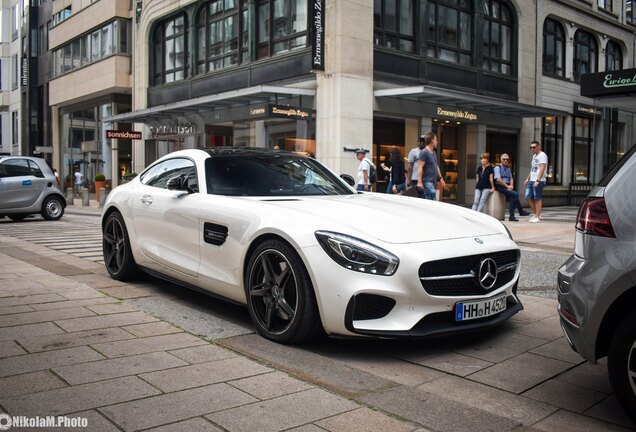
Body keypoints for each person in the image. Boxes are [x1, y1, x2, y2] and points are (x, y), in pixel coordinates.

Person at [494, 153, 529, 221]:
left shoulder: (508, 168)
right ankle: (520, 211)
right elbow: (498, 179)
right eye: (504, 159)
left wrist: (511, 185)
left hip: (507, 186)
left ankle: (512, 216)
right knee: (515, 194)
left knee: (512, 198)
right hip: (500, 186)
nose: (506, 161)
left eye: (507, 159)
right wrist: (507, 186)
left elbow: (511, 178)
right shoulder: (497, 168)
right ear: (501, 160)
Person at [524, 140, 548, 223]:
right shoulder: (534, 156)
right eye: (531, 147)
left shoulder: (543, 155)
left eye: (533, 147)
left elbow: (542, 168)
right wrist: (527, 178)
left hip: (539, 180)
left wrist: (537, 180)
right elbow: (533, 169)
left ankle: (537, 216)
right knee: (527, 196)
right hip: (532, 179)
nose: (532, 149)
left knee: (537, 198)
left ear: (538, 147)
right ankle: (535, 214)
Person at [417, 132, 445, 200]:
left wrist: (441, 178)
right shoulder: (424, 152)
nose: (437, 141)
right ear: (432, 140)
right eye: (436, 139)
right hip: (427, 182)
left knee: (431, 203)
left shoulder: (434, 153)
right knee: (433, 201)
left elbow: (436, 166)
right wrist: (419, 182)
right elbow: (420, 167)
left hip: (433, 182)